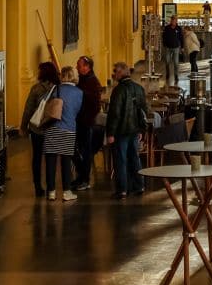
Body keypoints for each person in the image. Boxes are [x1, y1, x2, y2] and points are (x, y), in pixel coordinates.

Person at [106, 61, 149, 199]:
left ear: (120, 73)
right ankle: (139, 186)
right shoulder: (138, 88)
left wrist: (110, 133)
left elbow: (115, 113)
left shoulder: (118, 90)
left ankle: (122, 190)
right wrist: (142, 130)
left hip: (121, 132)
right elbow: (144, 110)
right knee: (134, 158)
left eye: (115, 72)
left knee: (120, 160)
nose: (113, 75)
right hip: (135, 130)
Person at [44, 66, 83, 201]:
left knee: (50, 161)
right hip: (68, 129)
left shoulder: (55, 89)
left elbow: (46, 105)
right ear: (73, 76)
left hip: (52, 127)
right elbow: (77, 111)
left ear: (62, 76)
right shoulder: (79, 93)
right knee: (66, 161)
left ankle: (51, 192)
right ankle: (66, 192)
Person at [20, 62, 59, 197]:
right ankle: (51, 187)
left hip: (37, 128)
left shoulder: (36, 89)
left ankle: (38, 186)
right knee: (51, 158)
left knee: (36, 158)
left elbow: (28, 109)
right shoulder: (58, 89)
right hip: (52, 127)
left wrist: (23, 127)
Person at [71, 55, 102, 191]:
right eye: (77, 65)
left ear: (87, 67)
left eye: (79, 65)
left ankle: (85, 179)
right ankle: (81, 175)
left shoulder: (92, 82)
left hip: (86, 123)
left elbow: (95, 105)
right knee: (74, 150)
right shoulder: (83, 80)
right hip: (78, 121)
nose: (77, 68)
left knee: (85, 151)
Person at [162, 15, 183, 84]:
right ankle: (168, 73)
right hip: (168, 47)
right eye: (172, 20)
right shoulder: (167, 28)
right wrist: (164, 44)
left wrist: (182, 47)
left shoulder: (179, 28)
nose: (173, 21)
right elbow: (164, 36)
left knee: (176, 63)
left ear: (176, 21)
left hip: (176, 48)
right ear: (171, 21)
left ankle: (176, 75)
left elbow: (181, 38)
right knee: (167, 61)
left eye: (175, 20)